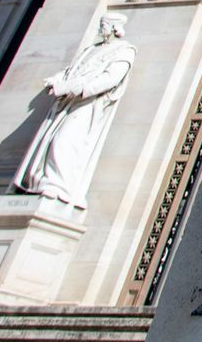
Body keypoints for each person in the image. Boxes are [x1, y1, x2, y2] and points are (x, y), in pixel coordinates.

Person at [12, 14, 137, 208]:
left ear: (115, 27)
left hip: (88, 103)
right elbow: (71, 70)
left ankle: (57, 185)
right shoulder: (91, 50)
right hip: (67, 102)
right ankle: (42, 182)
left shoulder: (124, 50)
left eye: (104, 25)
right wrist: (56, 80)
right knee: (50, 140)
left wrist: (74, 88)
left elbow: (109, 79)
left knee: (64, 140)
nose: (100, 29)